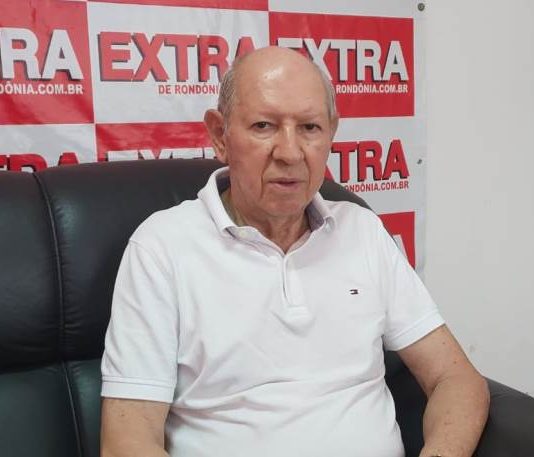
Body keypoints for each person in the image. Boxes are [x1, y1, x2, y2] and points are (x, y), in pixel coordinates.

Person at [100, 46, 489, 457]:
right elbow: (127, 441)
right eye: (264, 126)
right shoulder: (162, 247)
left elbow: (456, 378)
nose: (289, 152)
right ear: (219, 135)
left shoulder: (362, 231)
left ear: (331, 133)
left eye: (309, 128)